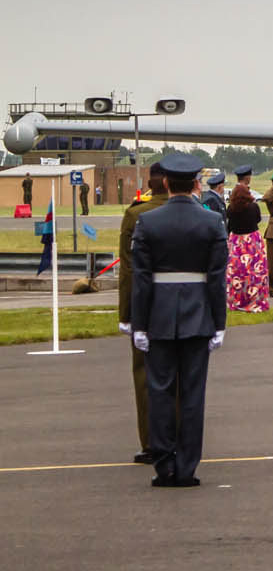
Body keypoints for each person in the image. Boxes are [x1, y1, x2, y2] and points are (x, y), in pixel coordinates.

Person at [126, 153, 228, 487]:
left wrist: (138, 325)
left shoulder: (148, 221)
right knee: (193, 394)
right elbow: (216, 279)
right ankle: (187, 467)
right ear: (197, 184)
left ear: (166, 183)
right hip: (198, 314)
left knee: (160, 392)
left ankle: (164, 464)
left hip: (158, 314)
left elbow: (141, 279)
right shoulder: (212, 222)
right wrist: (219, 323)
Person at [117, 160, 171, 463]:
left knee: (146, 375)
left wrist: (126, 314)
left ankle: (152, 442)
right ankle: (180, 437)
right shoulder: (201, 215)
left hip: (147, 306)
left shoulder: (137, 214)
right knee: (182, 375)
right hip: (187, 307)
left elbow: (129, 270)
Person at [224, 179, 270, 313]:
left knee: (237, 272)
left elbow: (230, 225)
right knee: (255, 273)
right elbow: (258, 220)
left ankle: (237, 300)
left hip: (237, 242)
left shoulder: (230, 209)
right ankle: (256, 300)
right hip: (252, 241)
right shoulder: (253, 207)